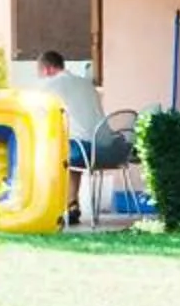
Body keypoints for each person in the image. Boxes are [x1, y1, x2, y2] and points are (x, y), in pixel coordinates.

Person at [35, 48, 132, 223]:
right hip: (109, 150)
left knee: (50, 153)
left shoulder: (51, 86)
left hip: (85, 152)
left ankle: (50, 205)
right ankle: (72, 203)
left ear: (47, 70)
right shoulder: (87, 84)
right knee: (71, 148)